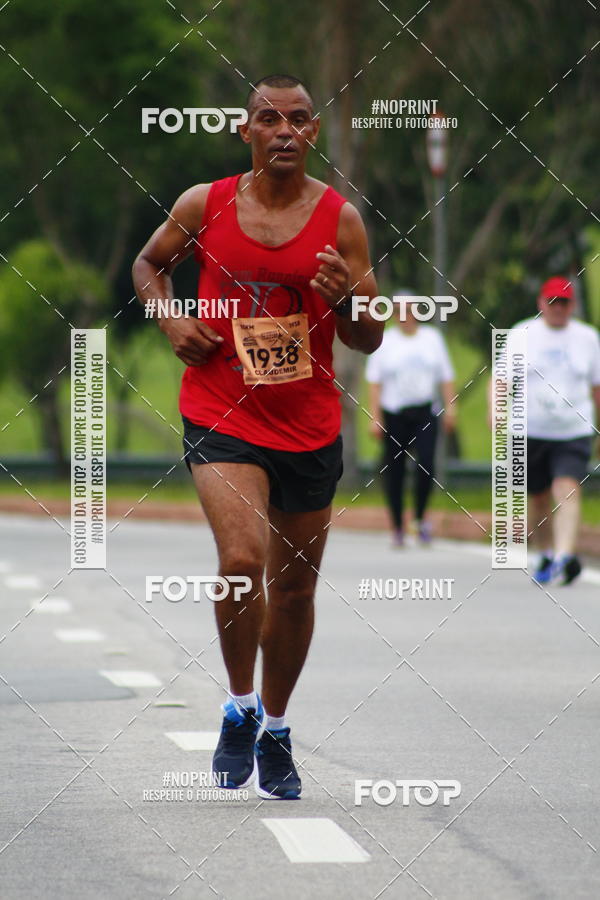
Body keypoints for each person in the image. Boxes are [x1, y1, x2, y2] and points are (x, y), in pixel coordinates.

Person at [132, 74, 382, 800]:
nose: (283, 131)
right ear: (246, 132)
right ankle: (238, 707)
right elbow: (149, 265)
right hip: (222, 411)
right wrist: (171, 318)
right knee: (242, 557)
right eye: (268, 119)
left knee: (295, 591)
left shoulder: (341, 221)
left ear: (313, 135)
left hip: (307, 424)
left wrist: (347, 303)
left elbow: (369, 335)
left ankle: (275, 726)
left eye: (298, 121)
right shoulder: (203, 204)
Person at [510, 277, 600, 585]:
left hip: (573, 429)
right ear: (541, 304)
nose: (557, 309)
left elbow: (597, 387)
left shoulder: (588, 338)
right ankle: (545, 552)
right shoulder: (522, 333)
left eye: (564, 303)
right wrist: (495, 410)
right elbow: (501, 379)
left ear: (572, 306)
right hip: (530, 429)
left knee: (568, 488)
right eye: (552, 302)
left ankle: (563, 556)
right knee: (538, 498)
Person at [366, 296, 456, 546]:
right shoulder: (386, 341)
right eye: (398, 311)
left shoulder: (431, 339)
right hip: (395, 413)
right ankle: (397, 525)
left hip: (426, 411)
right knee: (394, 470)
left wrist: (451, 409)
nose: (404, 316)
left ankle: (419, 518)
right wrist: (375, 417)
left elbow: (446, 376)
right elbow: (375, 382)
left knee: (426, 464)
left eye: (409, 310)